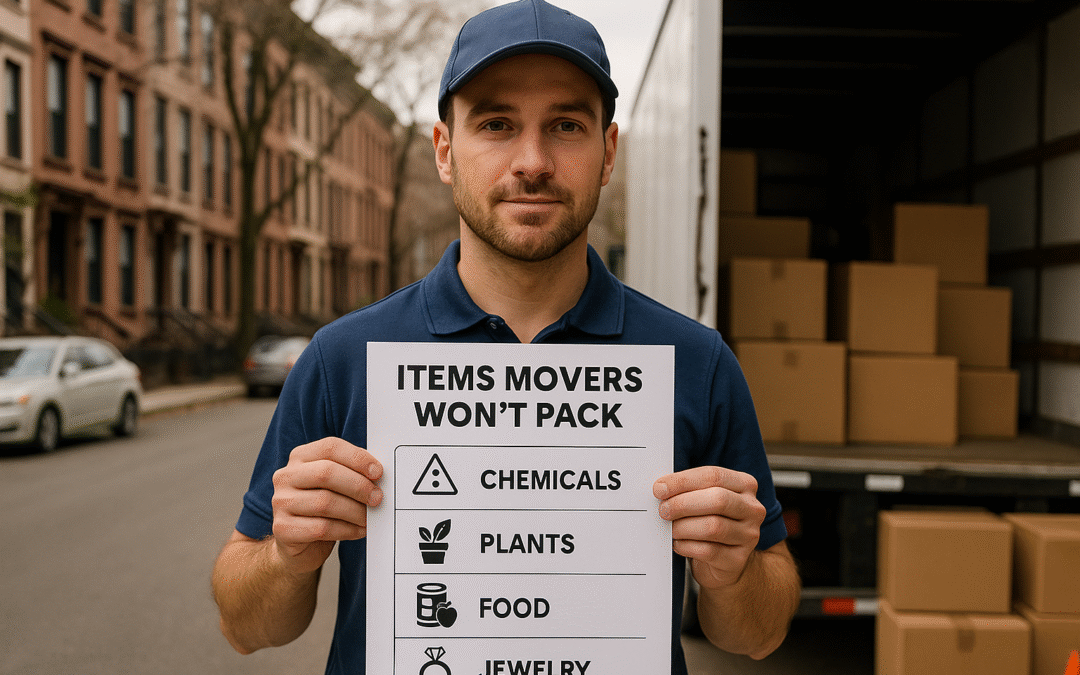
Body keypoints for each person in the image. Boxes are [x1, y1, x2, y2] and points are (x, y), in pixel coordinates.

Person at [211, 1, 801, 672]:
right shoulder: (343, 358)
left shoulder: (697, 364)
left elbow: (761, 632)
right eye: (496, 124)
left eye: (566, 125)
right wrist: (287, 555)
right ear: (444, 151)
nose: (533, 160)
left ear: (608, 153)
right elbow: (244, 626)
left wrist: (733, 574)